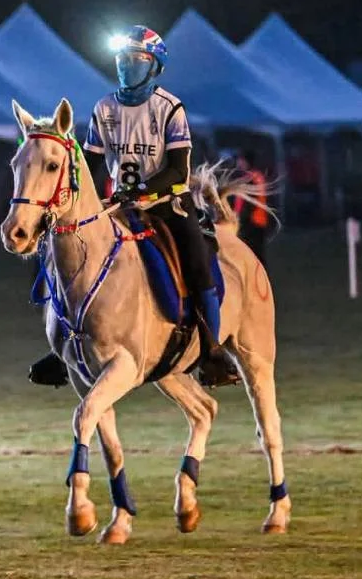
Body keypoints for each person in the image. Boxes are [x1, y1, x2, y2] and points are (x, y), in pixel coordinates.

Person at [27, 26, 237, 389]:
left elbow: (178, 170)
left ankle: (213, 351)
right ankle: (62, 346)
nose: (126, 67)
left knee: (197, 262)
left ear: (154, 65)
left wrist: (140, 189)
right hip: (118, 208)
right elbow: (91, 164)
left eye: (135, 59)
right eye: (121, 60)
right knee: (61, 254)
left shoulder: (170, 108)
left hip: (167, 204)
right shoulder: (103, 108)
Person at [232, 149, 271, 267]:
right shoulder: (256, 176)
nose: (238, 163)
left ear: (247, 162)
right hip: (258, 222)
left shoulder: (250, 179)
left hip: (251, 224)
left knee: (253, 257)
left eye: (240, 160)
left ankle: (260, 282)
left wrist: (239, 221)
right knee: (256, 257)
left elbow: (248, 205)